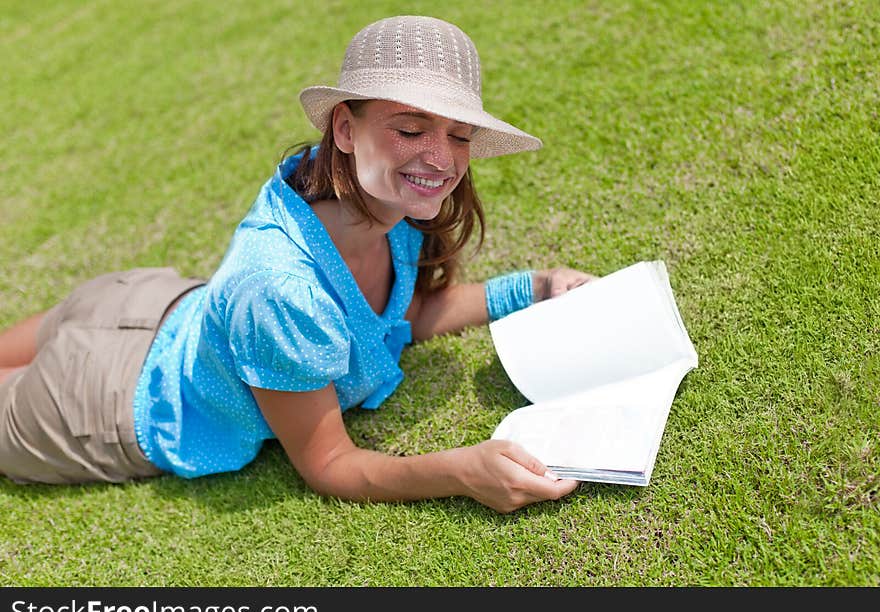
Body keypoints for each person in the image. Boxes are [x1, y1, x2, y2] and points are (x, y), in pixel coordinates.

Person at [0, 15, 594, 513]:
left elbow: (395, 311)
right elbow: (331, 464)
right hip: (96, 403)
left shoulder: (367, 193)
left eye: (460, 135)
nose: (440, 158)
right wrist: (462, 472)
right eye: (411, 128)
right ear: (344, 128)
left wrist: (538, 288)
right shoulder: (283, 294)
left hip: (146, 303)